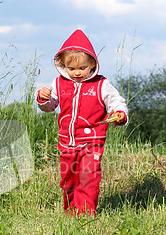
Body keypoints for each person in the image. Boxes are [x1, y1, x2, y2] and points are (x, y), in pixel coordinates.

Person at [35, 29, 129, 216]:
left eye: (82, 68)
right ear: (62, 65)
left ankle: (86, 214)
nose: (77, 73)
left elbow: (116, 102)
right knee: (69, 180)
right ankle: (71, 212)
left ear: (92, 63)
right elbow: (50, 106)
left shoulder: (101, 85)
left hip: (92, 143)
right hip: (67, 143)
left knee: (88, 178)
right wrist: (43, 99)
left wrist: (119, 113)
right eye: (71, 69)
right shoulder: (59, 83)